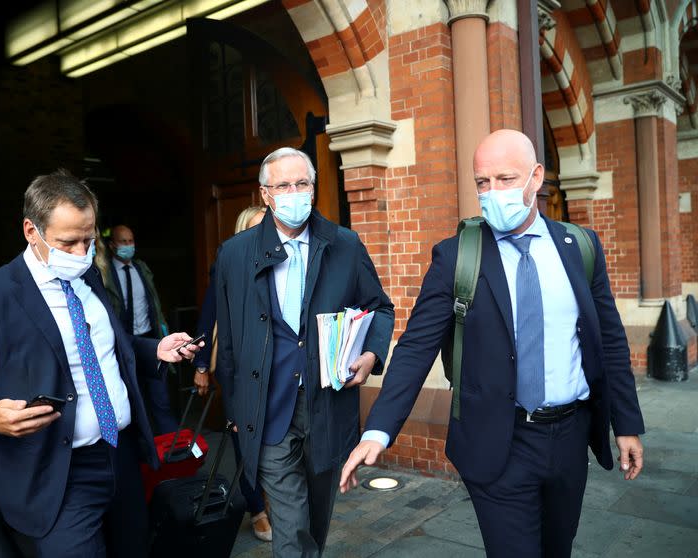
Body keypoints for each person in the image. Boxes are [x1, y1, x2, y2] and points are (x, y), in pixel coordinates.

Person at [340, 129, 645, 558]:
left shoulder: (579, 247)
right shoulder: (456, 256)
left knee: (558, 549)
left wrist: (626, 423)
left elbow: (609, 340)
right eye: (483, 183)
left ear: (536, 178)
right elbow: (415, 347)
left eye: (505, 179)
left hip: (571, 437)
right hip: (499, 443)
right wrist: (379, 428)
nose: (492, 192)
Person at [0, 170, 203, 558]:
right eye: (68, 242)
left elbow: (103, 345)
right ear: (30, 230)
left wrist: (152, 349)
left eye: (89, 240)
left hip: (120, 457)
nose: (81, 253)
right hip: (55, 474)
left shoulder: (89, 276)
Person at [214, 147, 394, 557]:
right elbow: (229, 343)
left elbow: (379, 306)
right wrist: (233, 409)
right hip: (266, 407)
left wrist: (370, 355)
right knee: (291, 530)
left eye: (302, 183)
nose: (294, 192)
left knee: (316, 518)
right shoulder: (235, 255)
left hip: (326, 405)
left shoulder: (344, 245)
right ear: (265, 193)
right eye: (283, 185)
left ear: (313, 188)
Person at [193, 205, 272, 542]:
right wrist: (200, 365)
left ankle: (274, 501)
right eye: (256, 228)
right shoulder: (226, 266)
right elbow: (209, 313)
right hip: (237, 369)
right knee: (245, 442)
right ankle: (256, 510)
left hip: (273, 369)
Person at [102, 224, 178, 434]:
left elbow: (154, 305)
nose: (128, 246)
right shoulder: (104, 274)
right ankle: (143, 455)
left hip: (151, 342)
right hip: (123, 345)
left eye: (131, 241)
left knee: (160, 400)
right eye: (123, 242)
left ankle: (174, 453)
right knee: (132, 403)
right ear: (112, 245)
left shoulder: (141, 269)